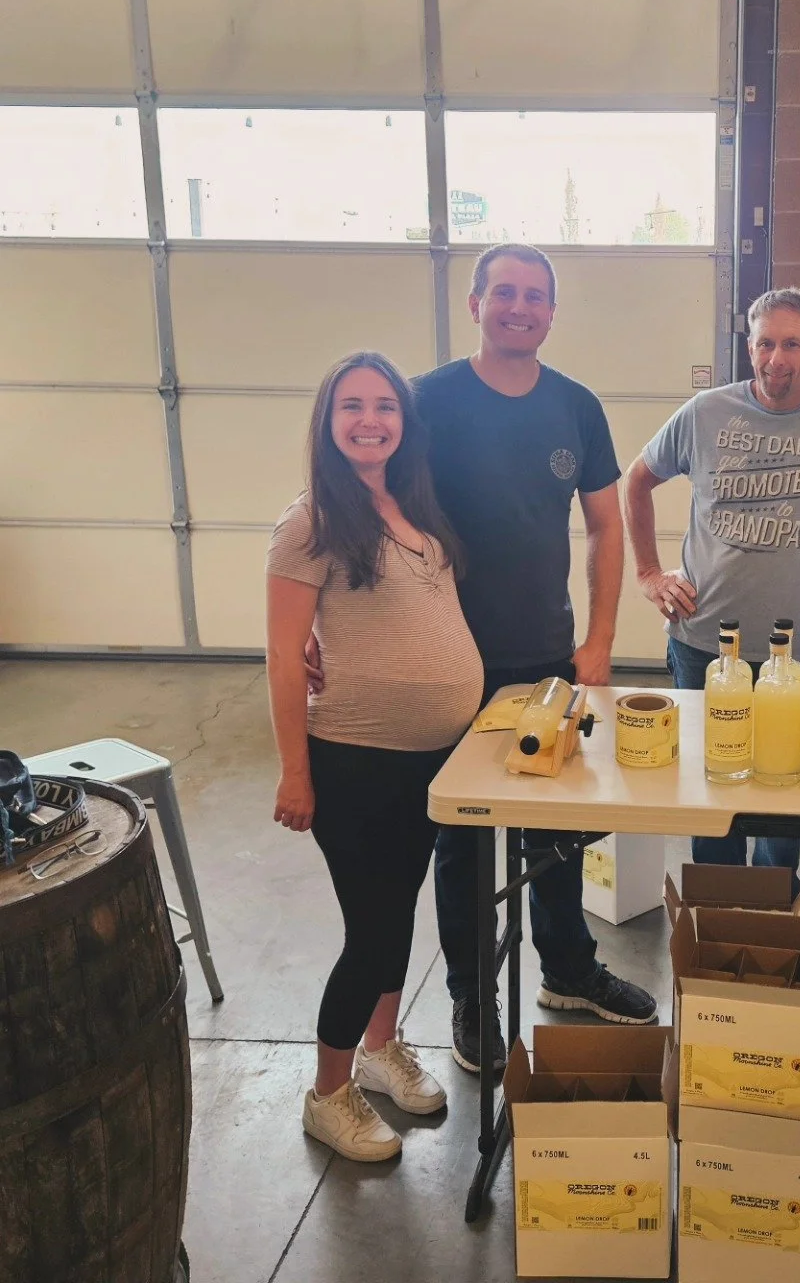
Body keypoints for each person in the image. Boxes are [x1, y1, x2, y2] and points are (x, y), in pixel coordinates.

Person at [415, 244, 657, 1071]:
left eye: (536, 297)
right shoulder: (427, 402)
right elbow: (364, 506)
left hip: (546, 655)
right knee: (464, 838)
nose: (521, 307)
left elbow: (604, 526)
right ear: (476, 302)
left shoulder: (576, 408)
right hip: (446, 659)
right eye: (505, 293)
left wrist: (597, 641)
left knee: (554, 829)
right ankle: (470, 997)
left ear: (552, 313)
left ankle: (569, 971)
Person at [267, 351, 484, 1163]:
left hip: (427, 761)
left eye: (385, 406)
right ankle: (327, 1095)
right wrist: (295, 770)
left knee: (398, 911)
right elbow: (286, 657)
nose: (370, 420)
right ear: (328, 422)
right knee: (375, 932)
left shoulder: (411, 502)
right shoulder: (311, 521)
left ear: (404, 421)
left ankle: (379, 1049)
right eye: (352, 406)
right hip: (354, 759)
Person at [623, 286, 800, 866]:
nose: (778, 359)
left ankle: (772, 925)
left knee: (780, 800)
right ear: (750, 349)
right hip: (701, 641)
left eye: (792, 344)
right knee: (711, 798)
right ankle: (716, 929)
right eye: (765, 343)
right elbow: (637, 479)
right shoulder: (707, 412)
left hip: (791, 657)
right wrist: (648, 573)